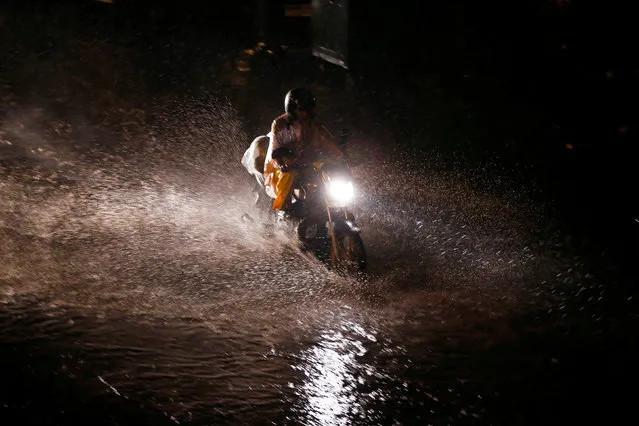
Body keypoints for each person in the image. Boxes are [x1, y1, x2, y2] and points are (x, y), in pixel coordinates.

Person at [263, 88, 345, 217]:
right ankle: (283, 212)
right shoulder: (280, 124)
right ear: (292, 110)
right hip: (280, 169)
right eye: (302, 110)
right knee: (289, 175)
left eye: (309, 109)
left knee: (328, 173)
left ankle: (331, 209)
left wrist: (342, 157)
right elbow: (275, 150)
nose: (306, 113)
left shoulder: (315, 125)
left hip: (305, 167)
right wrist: (282, 163)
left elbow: (331, 144)